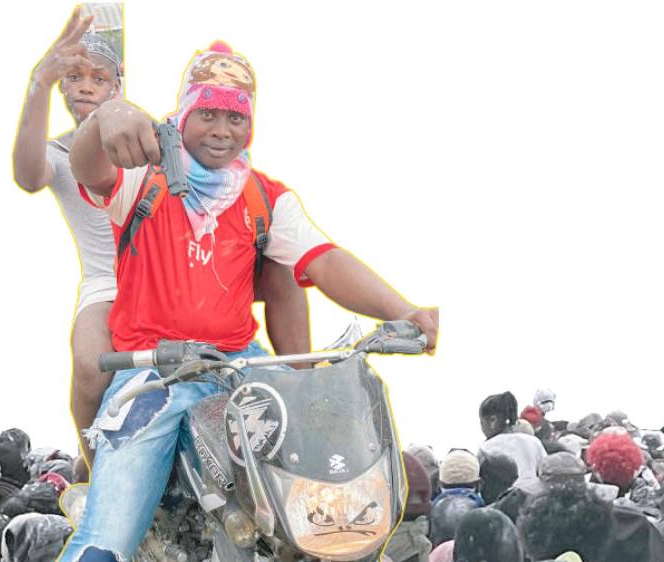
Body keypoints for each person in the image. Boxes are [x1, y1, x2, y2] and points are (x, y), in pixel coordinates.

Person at [57, 39, 438, 561]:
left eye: (236, 117)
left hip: (242, 368)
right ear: (185, 112)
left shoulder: (265, 197)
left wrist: (404, 311)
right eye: (208, 113)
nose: (221, 129)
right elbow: (87, 167)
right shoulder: (141, 181)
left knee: (319, 503)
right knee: (109, 539)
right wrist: (106, 119)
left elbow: (324, 260)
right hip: (157, 373)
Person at [11, 8, 312, 477]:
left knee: (285, 262)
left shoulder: (142, 132)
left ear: (119, 85)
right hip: (110, 279)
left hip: (187, 264)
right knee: (91, 367)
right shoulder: (60, 150)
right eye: (73, 77)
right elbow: (28, 176)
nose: (86, 86)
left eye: (98, 77)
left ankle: (299, 397)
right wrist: (38, 81)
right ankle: (100, 467)